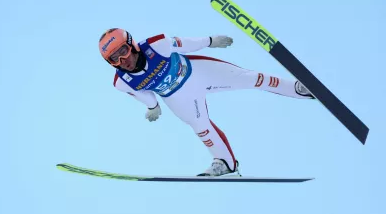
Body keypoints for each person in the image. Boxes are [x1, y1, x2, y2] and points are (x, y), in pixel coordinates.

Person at [98, 28, 315, 177]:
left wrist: (210, 41)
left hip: (199, 72)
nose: (122, 61)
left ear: (132, 44)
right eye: (113, 59)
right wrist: (153, 107)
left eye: (123, 52)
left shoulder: (157, 45)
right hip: (177, 97)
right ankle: (225, 163)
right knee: (201, 128)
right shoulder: (121, 82)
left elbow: (185, 44)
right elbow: (141, 93)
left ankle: (298, 88)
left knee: (251, 78)